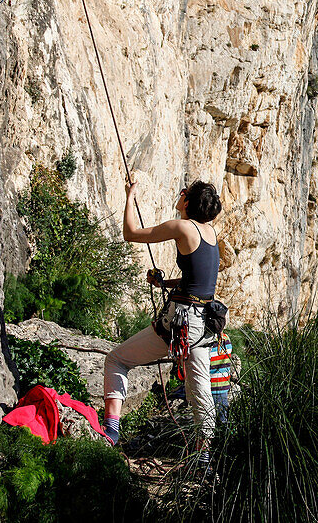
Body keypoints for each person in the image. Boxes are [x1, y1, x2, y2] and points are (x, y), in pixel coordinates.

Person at [102, 178, 223, 447]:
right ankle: (204, 456)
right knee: (201, 391)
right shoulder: (210, 234)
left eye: (184, 193)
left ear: (188, 202)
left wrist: (130, 197)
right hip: (204, 326)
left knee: (117, 360)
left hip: (181, 323)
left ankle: (111, 431)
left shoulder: (182, 226)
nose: (180, 195)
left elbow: (131, 233)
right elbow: (197, 282)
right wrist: (163, 283)